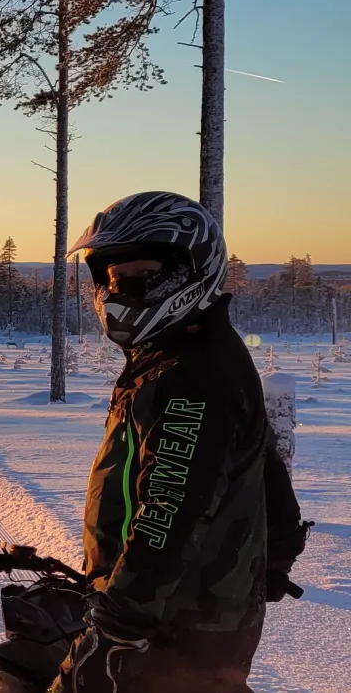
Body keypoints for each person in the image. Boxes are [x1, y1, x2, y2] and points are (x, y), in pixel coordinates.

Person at [50, 191, 311, 693]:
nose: (120, 289)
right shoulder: (188, 349)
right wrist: (278, 546)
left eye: (139, 276)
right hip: (180, 611)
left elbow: (169, 507)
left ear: (191, 269)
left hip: (172, 628)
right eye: (111, 277)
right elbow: (261, 456)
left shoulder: (192, 374)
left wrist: (117, 631)